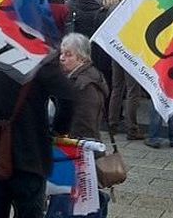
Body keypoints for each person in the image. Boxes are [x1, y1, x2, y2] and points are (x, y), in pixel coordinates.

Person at [0, 57, 74, 218]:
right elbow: (68, 98)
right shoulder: (39, 58)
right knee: (29, 210)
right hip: (31, 152)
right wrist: (58, 129)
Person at [47, 33, 109, 217]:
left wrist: (67, 140)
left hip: (76, 150)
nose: (62, 58)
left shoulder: (83, 84)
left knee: (69, 201)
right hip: (79, 148)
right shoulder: (85, 77)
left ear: (81, 57)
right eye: (62, 53)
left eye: (68, 54)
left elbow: (84, 122)